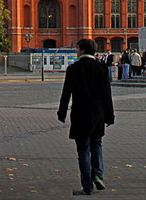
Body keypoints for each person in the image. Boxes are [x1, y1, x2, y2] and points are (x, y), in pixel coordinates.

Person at [57, 38, 115, 196]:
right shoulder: (101, 68)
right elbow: (107, 95)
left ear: (82, 50)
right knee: (97, 144)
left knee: (83, 150)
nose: (76, 51)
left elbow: (66, 93)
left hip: (80, 114)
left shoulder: (73, 69)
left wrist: (61, 113)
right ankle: (98, 174)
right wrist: (109, 116)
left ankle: (87, 186)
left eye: (77, 49)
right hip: (97, 114)